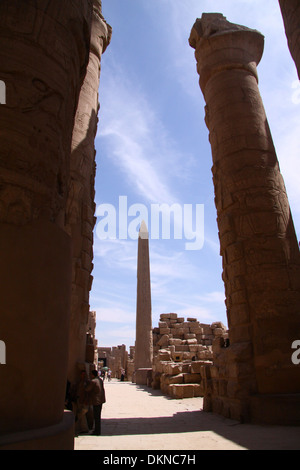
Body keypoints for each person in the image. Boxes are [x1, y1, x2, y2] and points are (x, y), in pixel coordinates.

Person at [86, 369, 106, 435]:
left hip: (96, 400)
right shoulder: (100, 380)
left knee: (96, 416)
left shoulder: (93, 381)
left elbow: (87, 389)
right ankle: (97, 430)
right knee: (98, 416)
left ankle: (97, 431)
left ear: (92, 375)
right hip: (100, 400)